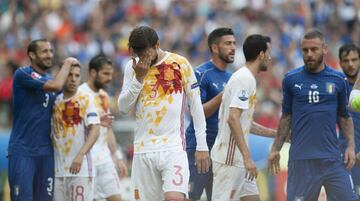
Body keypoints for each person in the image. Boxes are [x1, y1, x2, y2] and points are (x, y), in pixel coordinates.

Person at [118, 25, 210, 201]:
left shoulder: (179, 64)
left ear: (157, 44)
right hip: (143, 150)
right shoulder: (133, 68)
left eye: (146, 54)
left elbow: (196, 106)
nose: (143, 59)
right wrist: (138, 79)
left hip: (172, 148)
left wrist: (202, 145)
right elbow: (122, 108)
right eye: (139, 55)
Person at [268, 30, 358, 201]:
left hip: (332, 158)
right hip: (301, 160)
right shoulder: (291, 79)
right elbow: (286, 117)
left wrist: (351, 147)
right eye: (305, 50)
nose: (309, 54)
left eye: (314, 49)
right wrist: (275, 149)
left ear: (324, 49)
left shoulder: (338, 79)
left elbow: (344, 117)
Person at [7, 38, 78, 201]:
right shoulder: (23, 74)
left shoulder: (51, 79)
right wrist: (67, 63)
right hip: (23, 152)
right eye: (44, 51)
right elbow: (56, 86)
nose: (49, 55)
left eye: (51, 51)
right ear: (32, 55)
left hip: (46, 153)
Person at [211, 34, 276, 201]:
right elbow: (233, 119)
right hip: (230, 159)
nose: (270, 57)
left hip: (240, 159)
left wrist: (275, 134)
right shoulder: (244, 79)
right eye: (268, 53)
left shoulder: (246, 78)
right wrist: (248, 158)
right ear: (261, 54)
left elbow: (244, 123)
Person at [184, 27, 234, 201]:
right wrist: (222, 96)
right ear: (214, 48)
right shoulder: (201, 73)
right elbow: (196, 113)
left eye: (234, 43)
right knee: (191, 197)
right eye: (228, 43)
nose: (233, 47)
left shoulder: (232, 77)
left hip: (222, 150)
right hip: (200, 147)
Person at [78, 54, 127, 201]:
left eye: (111, 74)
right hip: (87, 159)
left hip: (105, 159)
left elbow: (108, 129)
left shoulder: (104, 96)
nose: (110, 78)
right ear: (93, 73)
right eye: (105, 73)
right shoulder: (79, 94)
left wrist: (117, 157)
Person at [52, 63, 100, 201]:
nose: (73, 79)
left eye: (77, 76)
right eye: (69, 75)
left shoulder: (85, 98)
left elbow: (95, 129)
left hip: (81, 169)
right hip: (58, 171)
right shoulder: (55, 102)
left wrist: (80, 155)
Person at [338, 44, 360, 195]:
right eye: (346, 60)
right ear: (340, 62)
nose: (350, 64)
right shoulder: (335, 88)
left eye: (354, 59)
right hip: (346, 157)